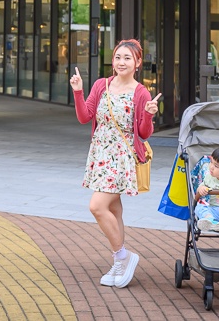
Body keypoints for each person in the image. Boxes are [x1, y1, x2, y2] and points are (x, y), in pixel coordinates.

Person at [69, 39, 160, 288]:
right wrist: (78, 91)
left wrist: (149, 114)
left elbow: (143, 132)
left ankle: (123, 256)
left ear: (138, 63)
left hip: (121, 157)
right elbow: (84, 117)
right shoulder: (101, 85)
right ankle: (120, 262)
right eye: (118, 57)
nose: (121, 62)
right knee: (114, 209)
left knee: (97, 207)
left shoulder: (141, 92)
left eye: (127, 58)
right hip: (100, 153)